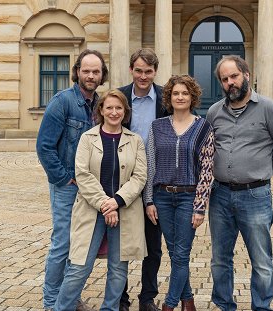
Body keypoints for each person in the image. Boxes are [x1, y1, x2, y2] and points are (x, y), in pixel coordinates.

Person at [206, 55, 273, 311]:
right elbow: (209, 149)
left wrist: (264, 170)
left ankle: (261, 307)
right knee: (220, 259)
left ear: (246, 74)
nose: (230, 83)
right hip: (219, 195)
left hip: (255, 196)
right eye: (224, 79)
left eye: (234, 76)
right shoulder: (214, 112)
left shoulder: (269, 108)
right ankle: (224, 305)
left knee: (261, 260)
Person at [53, 89, 148, 311]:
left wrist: (117, 201)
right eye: (109, 108)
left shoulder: (135, 141)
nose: (114, 112)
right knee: (79, 266)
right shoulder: (88, 138)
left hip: (124, 210)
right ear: (101, 111)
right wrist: (106, 204)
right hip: (91, 210)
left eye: (118, 108)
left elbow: (140, 176)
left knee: (118, 269)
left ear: (125, 111)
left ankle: (110, 308)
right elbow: (82, 174)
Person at [36, 49, 108, 311]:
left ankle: (69, 298)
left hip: (90, 188)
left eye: (96, 71)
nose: (90, 75)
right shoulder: (62, 101)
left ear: (102, 75)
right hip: (68, 187)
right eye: (86, 70)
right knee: (63, 244)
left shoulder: (100, 104)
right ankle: (50, 302)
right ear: (77, 71)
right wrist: (65, 179)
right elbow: (44, 147)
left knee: (80, 247)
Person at [144, 75, 215, 311]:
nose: (180, 97)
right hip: (162, 196)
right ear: (169, 97)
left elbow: (207, 169)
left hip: (188, 197)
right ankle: (189, 300)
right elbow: (150, 164)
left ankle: (169, 304)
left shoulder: (203, 127)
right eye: (176, 93)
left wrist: (200, 206)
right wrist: (149, 200)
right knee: (174, 252)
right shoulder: (157, 127)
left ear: (192, 97)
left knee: (182, 253)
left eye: (185, 93)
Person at [118, 48, 168, 311]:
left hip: (156, 180)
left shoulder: (165, 99)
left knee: (153, 246)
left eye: (148, 71)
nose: (143, 76)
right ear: (131, 70)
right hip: (123, 180)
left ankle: (147, 298)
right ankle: (121, 298)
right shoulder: (119, 96)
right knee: (123, 244)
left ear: (155, 72)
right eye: (138, 70)